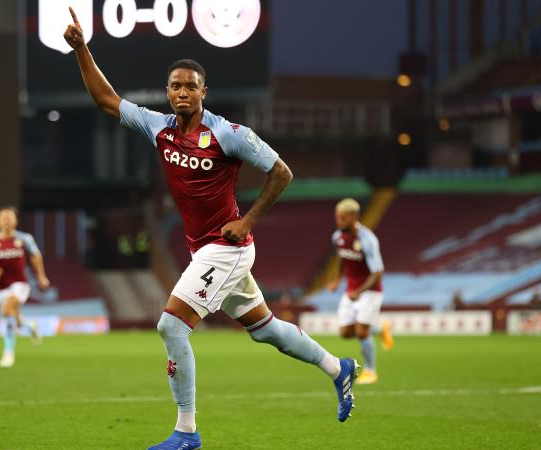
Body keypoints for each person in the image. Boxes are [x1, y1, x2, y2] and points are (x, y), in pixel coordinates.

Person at [63, 8, 359, 449]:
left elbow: (281, 172)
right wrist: (82, 49)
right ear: (168, 92)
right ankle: (339, 368)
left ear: (204, 92)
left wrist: (248, 219)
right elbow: (107, 99)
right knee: (267, 330)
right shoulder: (159, 128)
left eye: (191, 86)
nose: (183, 92)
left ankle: (187, 432)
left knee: (171, 326)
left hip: (228, 246)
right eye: (176, 86)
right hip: (203, 249)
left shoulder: (228, 133)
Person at [327, 198, 393, 385]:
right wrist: (337, 279)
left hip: (370, 291)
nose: (339, 222)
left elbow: (377, 272)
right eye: (337, 218)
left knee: (362, 332)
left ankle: (371, 371)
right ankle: (380, 329)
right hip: (351, 290)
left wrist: (359, 291)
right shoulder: (337, 237)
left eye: (343, 218)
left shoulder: (367, 240)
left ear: (354, 217)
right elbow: (342, 257)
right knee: (345, 332)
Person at [0, 206, 50, 368]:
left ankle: (8, 354)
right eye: (3, 217)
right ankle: (30, 325)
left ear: (16, 221)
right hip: (1, 288)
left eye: (9, 217)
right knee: (12, 315)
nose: (6, 220)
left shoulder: (24, 239)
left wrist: (41, 276)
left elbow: (36, 256)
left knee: (6, 311)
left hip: (20, 285)